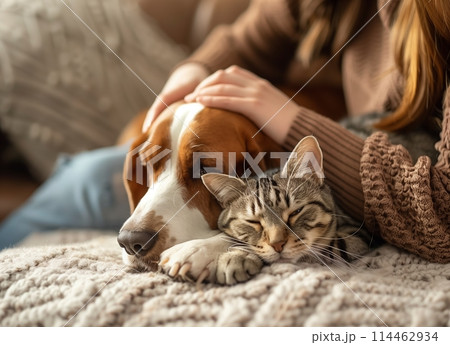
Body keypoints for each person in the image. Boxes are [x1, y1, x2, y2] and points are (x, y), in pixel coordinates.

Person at [1, 0, 449, 263]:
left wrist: (287, 119)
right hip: (323, 150)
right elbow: (246, 39)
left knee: (92, 183)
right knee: (91, 177)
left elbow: (440, 204)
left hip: (349, 166)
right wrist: (191, 75)